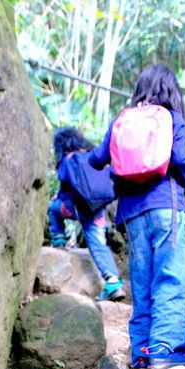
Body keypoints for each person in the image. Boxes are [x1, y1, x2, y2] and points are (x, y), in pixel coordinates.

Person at [89, 64, 185, 369]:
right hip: (166, 204)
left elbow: (97, 158)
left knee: (142, 280)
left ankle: (141, 352)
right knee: (171, 274)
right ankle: (165, 350)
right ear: (172, 90)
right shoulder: (171, 117)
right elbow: (180, 157)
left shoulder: (123, 120)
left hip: (132, 214)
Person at [49, 127, 126, 302]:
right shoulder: (93, 154)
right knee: (99, 244)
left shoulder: (68, 159)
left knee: (53, 208)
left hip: (75, 208)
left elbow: (65, 185)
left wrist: (59, 198)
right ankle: (113, 283)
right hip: (97, 209)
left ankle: (59, 240)